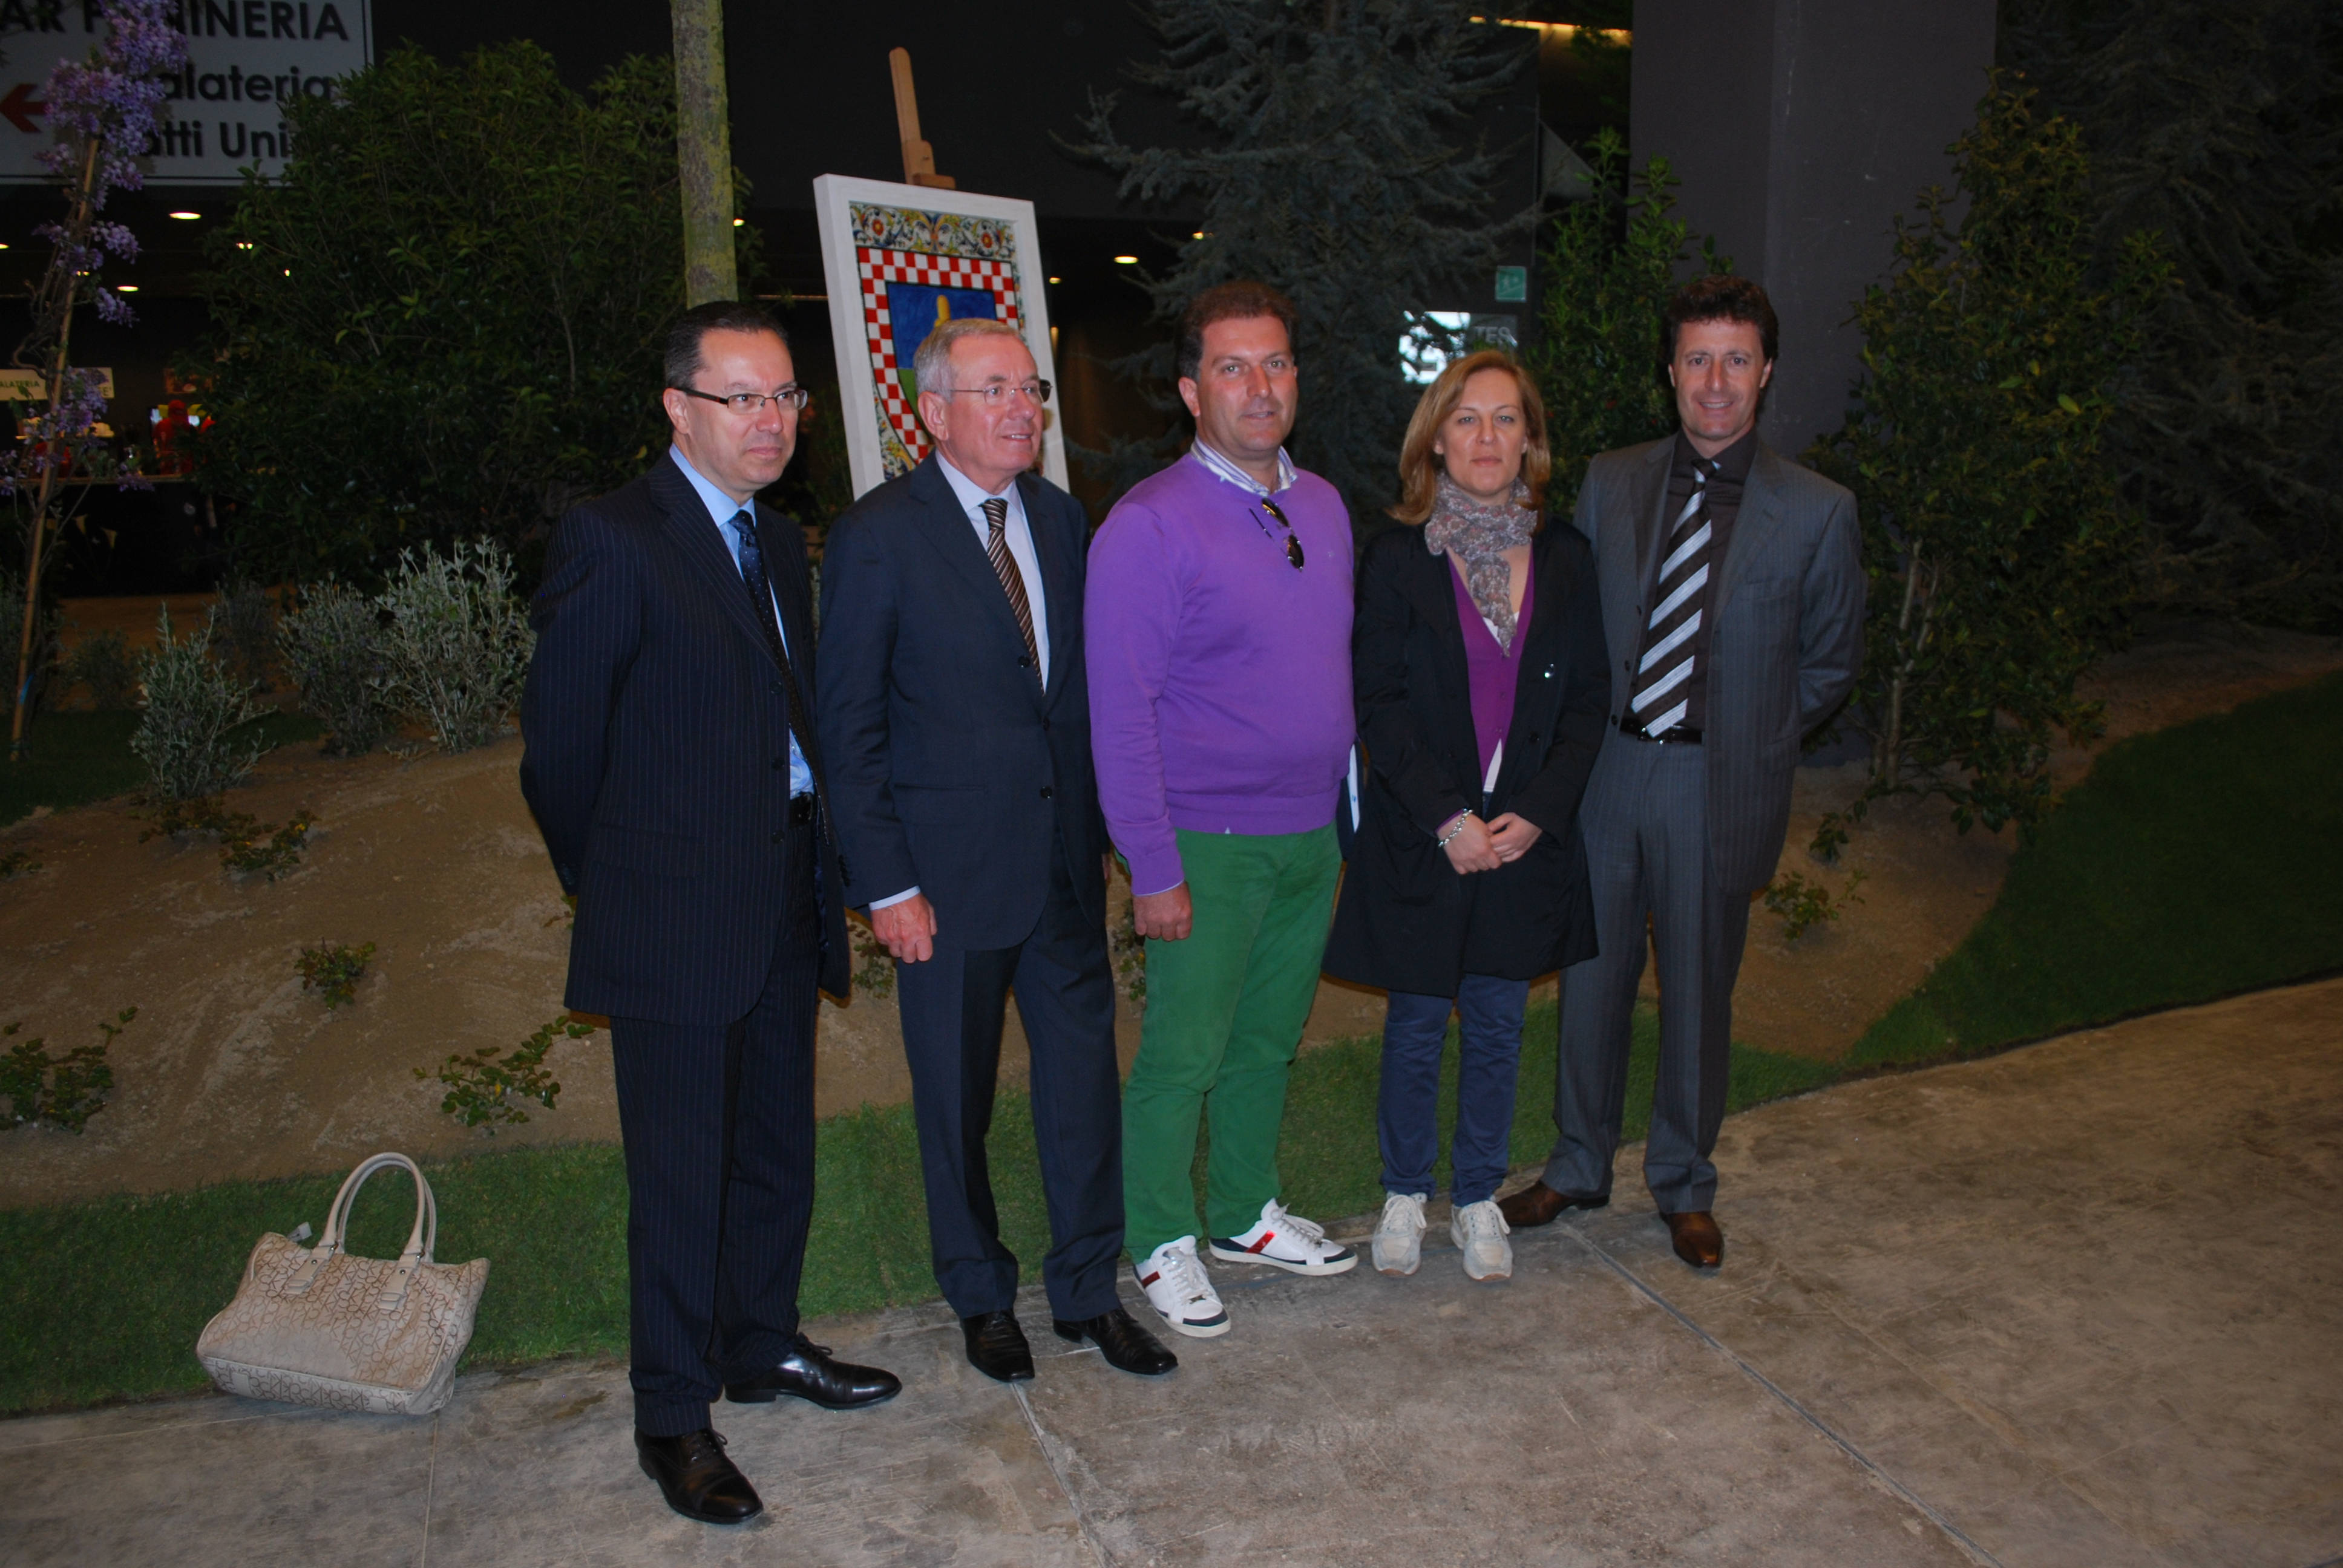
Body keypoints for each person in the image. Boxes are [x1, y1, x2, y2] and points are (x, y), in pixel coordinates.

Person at [520, 299, 900, 1527]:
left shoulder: (777, 540)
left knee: (775, 1152)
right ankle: (674, 1416)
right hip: (672, 916)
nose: (771, 420)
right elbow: (561, 751)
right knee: (681, 1178)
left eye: (785, 396)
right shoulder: (615, 536)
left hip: (784, 894)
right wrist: (621, 881)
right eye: (742, 398)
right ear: (678, 409)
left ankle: (760, 1343)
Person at [816, 317, 1176, 1385]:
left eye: (1032, 389)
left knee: (1082, 1094)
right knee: (955, 1103)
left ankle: (1087, 1292)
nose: (1025, 408)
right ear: (934, 412)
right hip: (943, 884)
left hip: (1061, 870)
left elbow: (1075, 699)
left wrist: (1101, 836)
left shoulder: (1061, 519)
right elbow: (849, 729)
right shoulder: (878, 536)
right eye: (997, 390)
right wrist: (887, 883)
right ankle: (979, 1295)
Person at [1500, 275, 1864, 1269]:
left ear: (1766, 372)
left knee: (1700, 993)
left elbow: (1831, 661)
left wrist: (1755, 737)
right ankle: (1579, 1164)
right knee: (1590, 982)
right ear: (1670, 372)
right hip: (1610, 774)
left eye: (1736, 360)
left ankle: (1684, 1182)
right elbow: (1572, 623)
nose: (1715, 381)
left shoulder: (1818, 511)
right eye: (1698, 359)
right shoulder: (1612, 481)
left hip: (1717, 785)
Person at [1086, 280, 1358, 1341]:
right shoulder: (1149, 526)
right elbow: (1121, 713)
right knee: (1183, 1056)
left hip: (1308, 838)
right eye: (1233, 368)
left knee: (1267, 1043)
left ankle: (1245, 1212)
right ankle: (1160, 1239)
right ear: (1193, 391)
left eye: (1276, 363)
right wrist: (1152, 866)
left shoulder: (1323, 504)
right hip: (1206, 843)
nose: (1260, 386)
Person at [1320, 351, 1610, 1282]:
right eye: (1467, 418)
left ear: (1530, 442)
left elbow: (1588, 703)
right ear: (1436, 440)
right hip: (1426, 835)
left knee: (1496, 1023)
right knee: (1415, 1025)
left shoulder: (1567, 557)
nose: (1487, 437)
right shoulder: (1396, 557)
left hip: (1523, 836)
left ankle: (1478, 1194)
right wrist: (1449, 820)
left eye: (1506, 419)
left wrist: (1538, 813)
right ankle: (1406, 1192)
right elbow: (1378, 701)